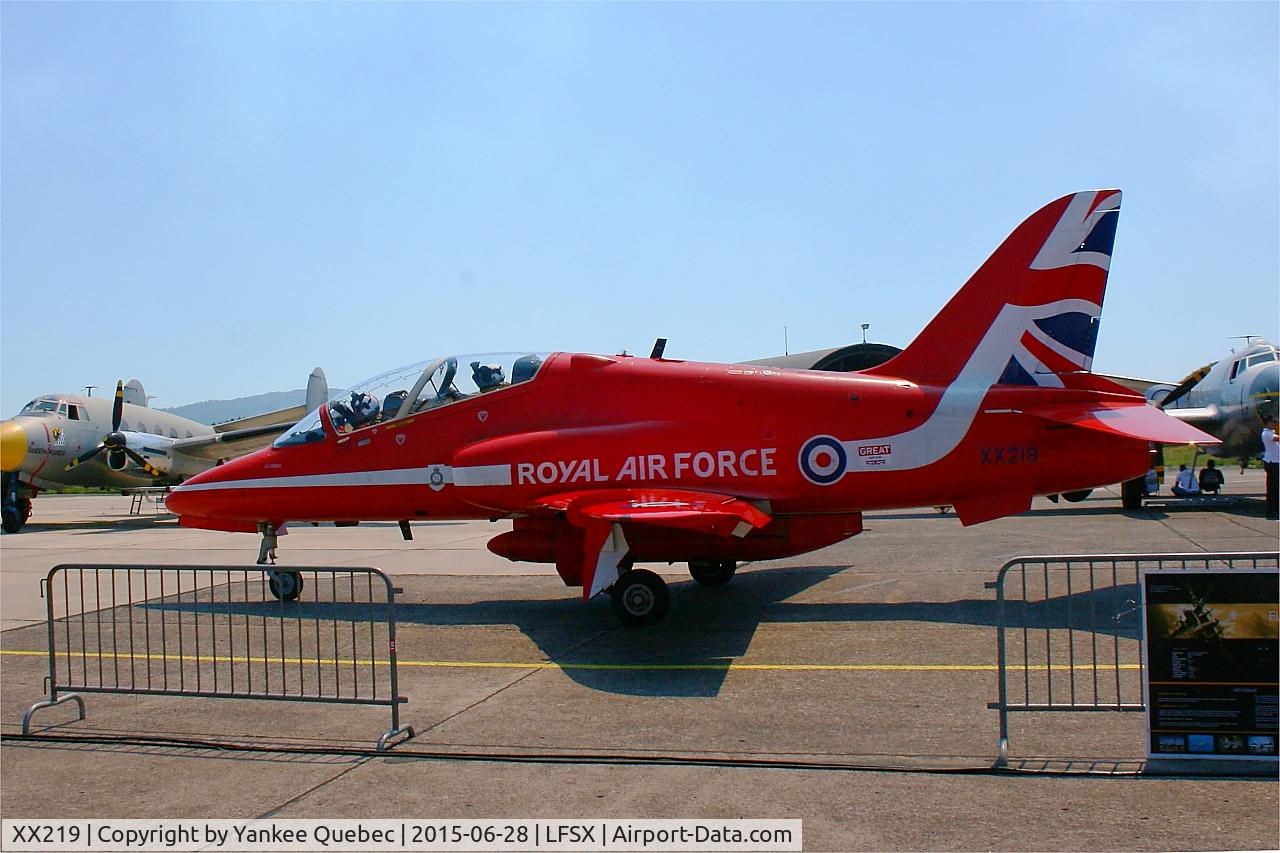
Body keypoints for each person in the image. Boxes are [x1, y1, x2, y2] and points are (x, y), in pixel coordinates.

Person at [1263, 417, 1279, 520]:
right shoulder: (1266, 433)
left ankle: (1276, 510)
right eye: (1273, 422)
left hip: (1276, 463)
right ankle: (1271, 511)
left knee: (1276, 489)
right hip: (1272, 463)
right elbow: (1277, 438)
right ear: (1268, 423)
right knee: (1273, 489)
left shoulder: (1272, 432)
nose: (1274, 424)